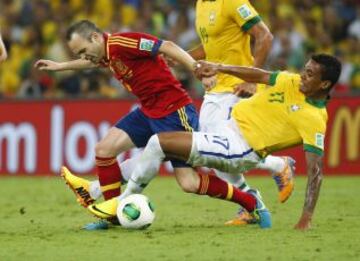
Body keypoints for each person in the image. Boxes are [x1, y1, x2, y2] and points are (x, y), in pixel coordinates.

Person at [35, 20, 270, 229]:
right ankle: (110, 216)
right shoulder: (104, 53)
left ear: (95, 37)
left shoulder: (123, 42)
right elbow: (91, 63)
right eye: (80, 54)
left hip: (175, 112)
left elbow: (166, 46)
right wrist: (60, 66)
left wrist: (196, 69)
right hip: (149, 111)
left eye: (84, 51)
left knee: (189, 183)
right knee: (103, 150)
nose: (85, 57)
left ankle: (251, 202)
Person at [88, 54, 342, 230]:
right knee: (182, 174)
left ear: (325, 83)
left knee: (158, 144)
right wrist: (221, 67)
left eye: (309, 74)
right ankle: (253, 199)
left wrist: (306, 217)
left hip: (240, 148)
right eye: (304, 70)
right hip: (227, 126)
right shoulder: (291, 81)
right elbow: (259, 74)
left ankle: (117, 206)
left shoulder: (314, 119)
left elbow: (316, 171)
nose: (302, 76)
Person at [186, 0, 294, 225]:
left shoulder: (232, 2)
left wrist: (251, 79)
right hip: (215, 89)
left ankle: (277, 167)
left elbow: (265, 36)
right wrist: (182, 57)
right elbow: (213, 45)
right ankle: (249, 202)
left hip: (236, 87)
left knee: (221, 149)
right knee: (213, 155)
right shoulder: (201, 5)